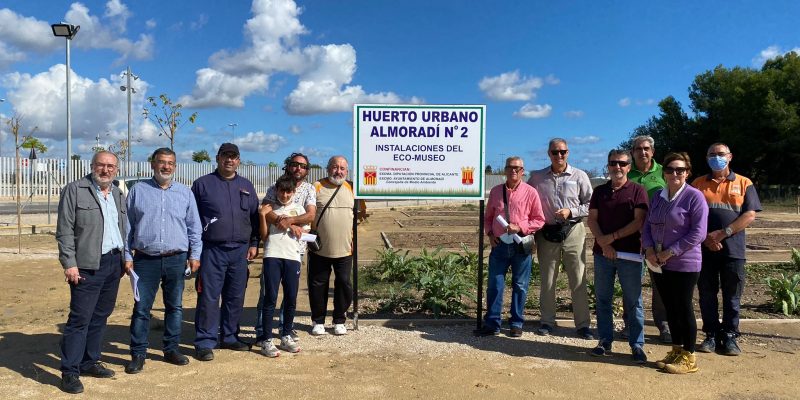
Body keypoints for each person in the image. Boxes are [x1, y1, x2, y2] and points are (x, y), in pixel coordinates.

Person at [123, 148, 202, 373]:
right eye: (161, 162)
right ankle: (138, 353)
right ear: (153, 164)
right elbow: (128, 227)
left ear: (175, 167)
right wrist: (127, 256)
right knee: (141, 308)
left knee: (175, 307)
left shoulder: (185, 193)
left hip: (176, 259)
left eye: (170, 163)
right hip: (145, 261)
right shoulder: (138, 190)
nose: (166, 167)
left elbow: (194, 227)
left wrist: (195, 255)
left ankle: (171, 349)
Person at [55, 151, 126, 394]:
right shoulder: (75, 190)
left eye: (110, 166)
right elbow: (64, 230)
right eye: (101, 165)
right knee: (79, 319)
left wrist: (126, 257)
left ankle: (89, 361)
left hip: (113, 263)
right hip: (86, 265)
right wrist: (69, 263)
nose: (105, 170)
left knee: (101, 315)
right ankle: (70, 371)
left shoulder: (117, 192)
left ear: (116, 169)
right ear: (92, 166)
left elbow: (122, 228)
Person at [191, 143, 260, 361]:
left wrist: (254, 243)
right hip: (212, 250)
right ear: (218, 158)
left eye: (234, 157)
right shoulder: (202, 185)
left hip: (239, 251)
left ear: (239, 160)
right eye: (225, 156)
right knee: (209, 297)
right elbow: (192, 219)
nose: (229, 160)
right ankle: (205, 341)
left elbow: (255, 219)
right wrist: (194, 251)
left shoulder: (246, 186)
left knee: (235, 297)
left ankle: (230, 336)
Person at [692, 143, 761, 356]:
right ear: (706, 158)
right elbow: (690, 215)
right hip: (705, 249)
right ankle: (711, 334)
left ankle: (730, 335)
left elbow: (749, 215)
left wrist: (722, 233)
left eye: (720, 154)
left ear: (729, 157)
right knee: (707, 293)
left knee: (732, 295)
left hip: (733, 250)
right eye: (711, 154)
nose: (716, 157)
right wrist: (706, 239)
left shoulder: (744, 183)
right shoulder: (697, 183)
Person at [642, 152, 708, 374]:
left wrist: (670, 252)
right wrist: (649, 249)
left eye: (680, 170)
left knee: (683, 307)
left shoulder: (694, 197)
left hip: (684, 263)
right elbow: (648, 227)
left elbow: (698, 233)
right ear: (664, 173)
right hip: (659, 263)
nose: (674, 174)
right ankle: (676, 350)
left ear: (687, 172)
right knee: (670, 307)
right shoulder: (659, 197)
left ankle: (689, 357)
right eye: (670, 170)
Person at [528, 138, 594, 339]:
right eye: (555, 152)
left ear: (568, 152)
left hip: (573, 230)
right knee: (548, 279)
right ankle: (547, 321)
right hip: (546, 233)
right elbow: (528, 202)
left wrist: (571, 211)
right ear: (548, 153)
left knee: (578, 278)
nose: (559, 155)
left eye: (563, 152)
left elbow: (590, 204)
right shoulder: (537, 178)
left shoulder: (579, 176)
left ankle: (582, 324)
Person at [586, 149, 648, 363]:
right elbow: (592, 219)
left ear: (629, 167)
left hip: (630, 254)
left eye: (622, 163)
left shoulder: (638, 191)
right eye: (613, 163)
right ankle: (604, 340)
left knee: (633, 301)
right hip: (603, 254)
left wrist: (610, 238)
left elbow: (639, 221)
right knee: (603, 299)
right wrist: (604, 243)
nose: (617, 167)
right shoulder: (599, 191)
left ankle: (637, 344)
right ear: (608, 166)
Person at [474, 156, 544, 337]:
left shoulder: (531, 192)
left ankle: (516, 323)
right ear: (505, 170)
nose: (514, 171)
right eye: (510, 167)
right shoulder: (496, 192)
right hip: (499, 246)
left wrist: (520, 227)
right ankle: (492, 323)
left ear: (523, 171)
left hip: (521, 246)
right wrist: (490, 234)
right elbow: (488, 217)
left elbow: (539, 220)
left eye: (517, 168)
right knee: (495, 285)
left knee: (520, 285)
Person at [255, 152, 316, 344]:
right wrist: (290, 224)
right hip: (274, 250)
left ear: (307, 170)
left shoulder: (309, 189)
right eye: (295, 164)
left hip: (295, 250)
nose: (299, 168)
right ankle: (261, 331)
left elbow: (310, 216)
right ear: (288, 165)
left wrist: (291, 221)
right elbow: (267, 211)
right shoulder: (275, 187)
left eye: (303, 166)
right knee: (268, 293)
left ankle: (285, 329)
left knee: (290, 294)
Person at [308, 156, 365, 336]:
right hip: (320, 248)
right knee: (318, 284)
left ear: (347, 171)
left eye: (342, 168)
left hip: (345, 248)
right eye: (334, 167)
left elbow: (361, 215)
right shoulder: (316, 186)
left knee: (344, 284)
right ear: (328, 168)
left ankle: (340, 319)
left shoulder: (353, 188)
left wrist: (354, 238)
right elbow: (306, 212)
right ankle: (318, 320)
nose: (338, 171)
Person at [626, 135, 670, 343]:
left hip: (657, 238)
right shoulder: (626, 171)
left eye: (646, 149)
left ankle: (663, 324)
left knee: (660, 284)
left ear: (652, 151)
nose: (642, 152)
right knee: (631, 282)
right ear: (632, 151)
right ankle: (631, 324)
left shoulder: (665, 172)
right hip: (631, 237)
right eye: (638, 149)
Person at [257, 175, 307, 357]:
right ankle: (267, 339)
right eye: (282, 191)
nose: (285, 195)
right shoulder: (270, 208)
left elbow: (305, 231)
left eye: (289, 192)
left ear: (294, 192)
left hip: (292, 257)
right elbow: (264, 236)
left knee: (291, 297)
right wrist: (263, 216)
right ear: (276, 190)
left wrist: (294, 224)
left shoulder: (299, 209)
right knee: (270, 296)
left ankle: (286, 335)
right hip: (272, 255)